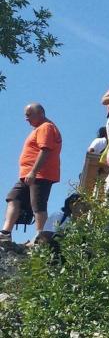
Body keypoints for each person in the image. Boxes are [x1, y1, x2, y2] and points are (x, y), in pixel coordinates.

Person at [1, 104, 62, 242]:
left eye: (29, 114)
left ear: (40, 113)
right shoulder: (40, 128)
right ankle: (5, 232)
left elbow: (45, 149)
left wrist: (34, 171)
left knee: (38, 206)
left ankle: (41, 238)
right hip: (28, 174)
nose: (26, 118)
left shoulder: (46, 127)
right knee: (13, 197)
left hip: (40, 174)